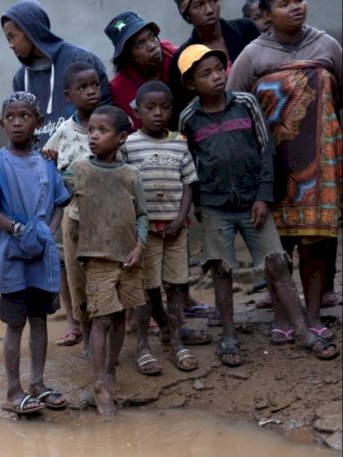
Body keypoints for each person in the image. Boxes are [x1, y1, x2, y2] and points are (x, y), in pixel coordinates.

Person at [178, 45, 338, 366]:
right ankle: (228, 337)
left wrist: (263, 196)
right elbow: (188, 164)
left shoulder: (246, 104)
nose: (216, 77)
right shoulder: (189, 118)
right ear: (191, 84)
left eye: (219, 70)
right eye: (205, 74)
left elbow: (265, 150)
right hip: (214, 207)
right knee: (221, 270)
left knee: (277, 263)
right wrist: (196, 206)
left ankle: (303, 331)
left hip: (254, 203)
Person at [227, 0, 343, 338]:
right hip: (271, 168)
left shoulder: (327, 46)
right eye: (283, 3)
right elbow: (235, 111)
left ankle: (313, 316)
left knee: (316, 244)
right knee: (275, 247)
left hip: (319, 167)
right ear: (265, 14)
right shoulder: (252, 55)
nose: (296, 7)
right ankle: (281, 318)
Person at [0, 91, 71, 415]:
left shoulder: (46, 162)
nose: (17, 123)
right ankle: (13, 391)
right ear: (2, 124)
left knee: (40, 319)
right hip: (11, 258)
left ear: (38, 122)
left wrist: (50, 231)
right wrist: (16, 229)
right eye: (11, 118)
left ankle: (38, 384)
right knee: (15, 324)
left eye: (25, 116)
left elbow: (60, 201)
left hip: (41, 257)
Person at [65, 105, 148, 414]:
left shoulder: (131, 174)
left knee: (118, 318)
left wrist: (139, 248)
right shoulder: (79, 169)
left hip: (127, 258)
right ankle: (99, 381)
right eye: (91, 131)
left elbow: (142, 214)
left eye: (102, 131)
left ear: (122, 138)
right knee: (101, 319)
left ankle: (111, 369)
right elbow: (59, 195)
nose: (94, 136)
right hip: (96, 258)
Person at [121, 81, 202, 374]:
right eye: (150, 107)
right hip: (145, 234)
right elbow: (123, 186)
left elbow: (189, 183)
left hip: (176, 229)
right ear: (137, 110)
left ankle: (177, 340)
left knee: (177, 285)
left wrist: (181, 218)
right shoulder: (129, 145)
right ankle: (144, 345)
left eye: (164, 107)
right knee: (146, 289)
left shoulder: (179, 142)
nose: (157, 113)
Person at [43, 62, 101, 353]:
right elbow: (46, 165)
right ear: (69, 96)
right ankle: (83, 330)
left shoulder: (110, 125)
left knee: (108, 272)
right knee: (75, 273)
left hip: (107, 217)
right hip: (73, 217)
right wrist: (51, 162)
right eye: (83, 88)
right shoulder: (64, 133)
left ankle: (117, 326)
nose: (91, 91)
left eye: (94, 85)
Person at [0, 0, 112, 146]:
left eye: (12, 36)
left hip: (84, 161)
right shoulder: (21, 79)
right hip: (42, 166)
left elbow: (108, 111)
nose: (11, 45)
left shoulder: (80, 60)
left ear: (30, 30)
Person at [168, 0, 260, 128]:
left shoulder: (245, 30)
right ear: (187, 16)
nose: (210, 10)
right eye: (199, 5)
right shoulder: (183, 58)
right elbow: (180, 109)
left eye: (212, 1)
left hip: (260, 116)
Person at [104, 12, 177, 131]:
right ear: (128, 56)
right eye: (140, 44)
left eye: (152, 37)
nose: (152, 46)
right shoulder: (118, 89)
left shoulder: (172, 54)